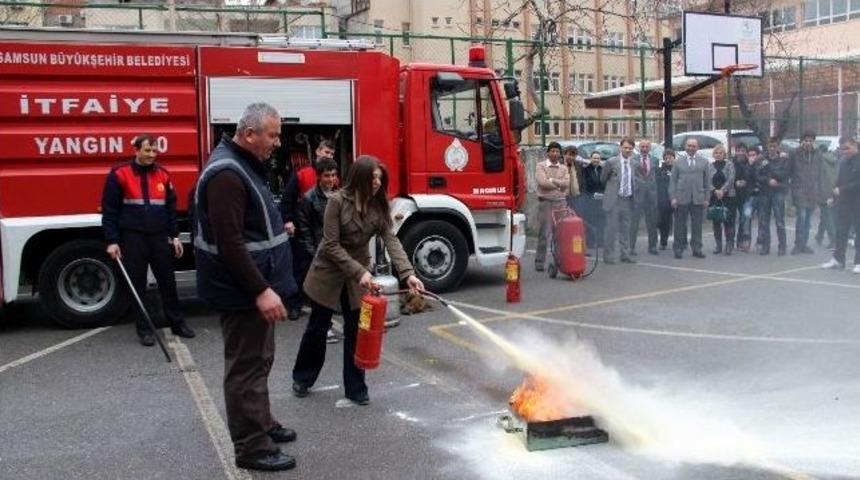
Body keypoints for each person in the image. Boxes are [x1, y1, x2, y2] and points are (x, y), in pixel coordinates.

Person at [193, 103, 298, 472]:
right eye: (272, 134)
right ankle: (253, 447)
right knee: (246, 369)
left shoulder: (241, 165)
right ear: (249, 134)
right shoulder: (227, 174)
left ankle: (263, 423)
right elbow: (230, 243)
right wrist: (260, 290)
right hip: (243, 292)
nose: (278, 142)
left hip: (252, 287)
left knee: (260, 360)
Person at [292, 155, 425, 405]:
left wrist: (409, 275)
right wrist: (361, 272)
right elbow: (330, 245)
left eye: (379, 178)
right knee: (317, 328)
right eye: (372, 177)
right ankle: (303, 377)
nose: (376, 182)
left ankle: (356, 388)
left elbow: (391, 240)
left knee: (357, 331)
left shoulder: (378, 205)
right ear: (359, 177)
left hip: (357, 278)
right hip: (328, 270)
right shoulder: (337, 201)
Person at [101, 134, 195, 347]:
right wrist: (112, 240)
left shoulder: (163, 174)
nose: (151, 154)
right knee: (137, 284)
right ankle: (145, 330)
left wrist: (175, 236)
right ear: (136, 150)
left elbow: (170, 208)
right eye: (147, 150)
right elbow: (109, 210)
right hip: (132, 237)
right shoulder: (120, 174)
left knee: (168, 283)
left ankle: (177, 324)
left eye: (154, 151)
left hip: (159, 237)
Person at [282, 139, 337, 321]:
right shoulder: (302, 174)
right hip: (303, 228)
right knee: (301, 269)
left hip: (324, 231)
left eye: (331, 154)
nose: (327, 156)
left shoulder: (333, 178)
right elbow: (287, 199)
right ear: (317, 151)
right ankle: (294, 305)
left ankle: (324, 303)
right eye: (325, 152)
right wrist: (288, 220)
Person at [295, 158, 342, 344]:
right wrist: (313, 253)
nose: (331, 179)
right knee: (322, 293)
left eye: (333, 175)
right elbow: (304, 229)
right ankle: (325, 328)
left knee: (339, 291)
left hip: (338, 249)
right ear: (318, 176)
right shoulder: (309, 198)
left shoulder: (339, 194)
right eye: (327, 175)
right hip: (319, 252)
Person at [821, 136, 860, 274]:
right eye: (842, 149)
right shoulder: (843, 161)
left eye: (847, 148)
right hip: (843, 202)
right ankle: (838, 259)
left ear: (855, 145)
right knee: (841, 231)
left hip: (857, 201)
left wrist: (842, 190)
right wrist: (833, 195)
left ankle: (858, 262)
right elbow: (839, 180)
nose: (845, 151)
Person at [670, 137, 709, 259]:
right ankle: (678, 248)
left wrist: (707, 198)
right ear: (685, 147)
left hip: (698, 198)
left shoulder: (704, 162)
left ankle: (697, 248)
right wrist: (673, 198)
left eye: (693, 146)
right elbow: (673, 182)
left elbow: (707, 182)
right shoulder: (678, 162)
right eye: (688, 146)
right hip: (681, 197)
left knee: (697, 225)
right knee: (679, 225)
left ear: (697, 148)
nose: (690, 148)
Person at [601, 137, 638, 264]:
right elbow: (603, 178)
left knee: (626, 229)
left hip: (627, 200)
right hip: (614, 200)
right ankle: (608, 256)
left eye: (630, 148)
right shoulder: (611, 162)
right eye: (625, 147)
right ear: (620, 147)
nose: (627, 150)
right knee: (611, 229)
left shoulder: (634, 163)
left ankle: (625, 254)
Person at [534, 141, 570, 271]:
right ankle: (539, 261)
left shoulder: (564, 168)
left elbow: (567, 183)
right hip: (546, 202)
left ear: (560, 154)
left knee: (559, 234)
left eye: (557, 151)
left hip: (561, 203)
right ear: (548, 153)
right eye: (552, 151)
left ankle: (558, 261)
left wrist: (552, 181)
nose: (555, 154)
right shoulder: (541, 166)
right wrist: (559, 185)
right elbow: (543, 183)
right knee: (544, 233)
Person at [788, 132, 822, 255]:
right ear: (801, 141)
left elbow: (820, 173)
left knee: (808, 220)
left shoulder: (818, 154)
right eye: (806, 140)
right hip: (799, 190)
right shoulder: (794, 153)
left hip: (812, 191)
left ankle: (804, 244)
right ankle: (798, 244)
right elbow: (789, 171)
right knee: (801, 218)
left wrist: (820, 191)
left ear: (814, 142)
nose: (808, 143)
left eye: (811, 140)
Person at [757, 137, 790, 256]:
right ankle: (766, 246)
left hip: (778, 191)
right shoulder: (762, 159)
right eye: (770, 146)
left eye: (774, 146)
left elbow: (785, 173)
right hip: (765, 192)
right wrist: (767, 180)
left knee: (780, 221)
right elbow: (758, 175)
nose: (772, 148)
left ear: (778, 147)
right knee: (764, 221)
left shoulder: (783, 159)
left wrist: (773, 177)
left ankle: (782, 246)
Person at [629, 139, 659, 256]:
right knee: (634, 223)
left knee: (652, 223)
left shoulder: (655, 160)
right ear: (639, 148)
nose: (645, 149)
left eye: (647, 147)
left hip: (651, 196)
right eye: (642, 147)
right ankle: (631, 247)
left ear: (650, 148)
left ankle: (652, 246)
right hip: (637, 195)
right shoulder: (633, 160)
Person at [707, 144, 736, 255]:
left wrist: (722, 191)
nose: (718, 155)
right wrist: (715, 191)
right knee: (716, 221)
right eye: (716, 153)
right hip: (714, 197)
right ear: (714, 154)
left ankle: (729, 245)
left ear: (724, 154)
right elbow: (707, 181)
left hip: (728, 196)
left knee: (728, 221)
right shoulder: (710, 166)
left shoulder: (729, 165)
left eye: (721, 153)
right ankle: (718, 245)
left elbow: (731, 179)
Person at [738, 146, 763, 253]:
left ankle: (760, 241)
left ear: (758, 156)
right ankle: (746, 240)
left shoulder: (762, 165)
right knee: (746, 217)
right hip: (750, 196)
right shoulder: (746, 167)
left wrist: (755, 166)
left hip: (762, 196)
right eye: (750, 155)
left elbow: (760, 178)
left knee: (762, 220)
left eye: (754, 155)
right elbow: (747, 178)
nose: (752, 157)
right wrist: (751, 166)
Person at [581, 151, 605, 252]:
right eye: (594, 158)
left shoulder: (602, 170)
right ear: (590, 159)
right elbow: (584, 185)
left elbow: (604, 183)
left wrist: (603, 194)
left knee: (601, 221)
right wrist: (591, 195)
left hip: (600, 201)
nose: (596, 160)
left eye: (598, 158)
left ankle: (600, 242)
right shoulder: (586, 170)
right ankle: (590, 242)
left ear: (600, 160)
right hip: (589, 200)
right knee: (590, 222)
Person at [816, 145, 839, 249]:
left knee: (827, 215)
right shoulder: (835, 159)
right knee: (826, 215)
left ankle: (833, 240)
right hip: (835, 189)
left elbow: (823, 178)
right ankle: (819, 236)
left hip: (825, 191)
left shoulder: (821, 161)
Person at [732, 143, 752, 251]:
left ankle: (742, 241)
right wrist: (735, 182)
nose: (741, 153)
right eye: (739, 150)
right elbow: (728, 177)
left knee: (745, 219)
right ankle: (731, 241)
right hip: (733, 195)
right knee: (731, 219)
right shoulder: (731, 163)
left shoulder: (749, 163)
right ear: (736, 151)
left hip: (746, 196)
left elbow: (753, 177)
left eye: (743, 150)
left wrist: (746, 182)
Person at [656, 149, 675, 250]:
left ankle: (682, 241)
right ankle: (663, 241)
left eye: (670, 158)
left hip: (676, 197)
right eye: (666, 158)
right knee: (664, 221)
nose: (668, 160)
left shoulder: (677, 169)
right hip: (664, 199)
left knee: (678, 221)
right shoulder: (661, 170)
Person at [563, 145, 582, 213]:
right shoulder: (558, 165)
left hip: (575, 198)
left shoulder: (579, 165)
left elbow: (581, 181)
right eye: (569, 155)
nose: (571, 157)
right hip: (562, 198)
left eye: (574, 155)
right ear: (564, 154)